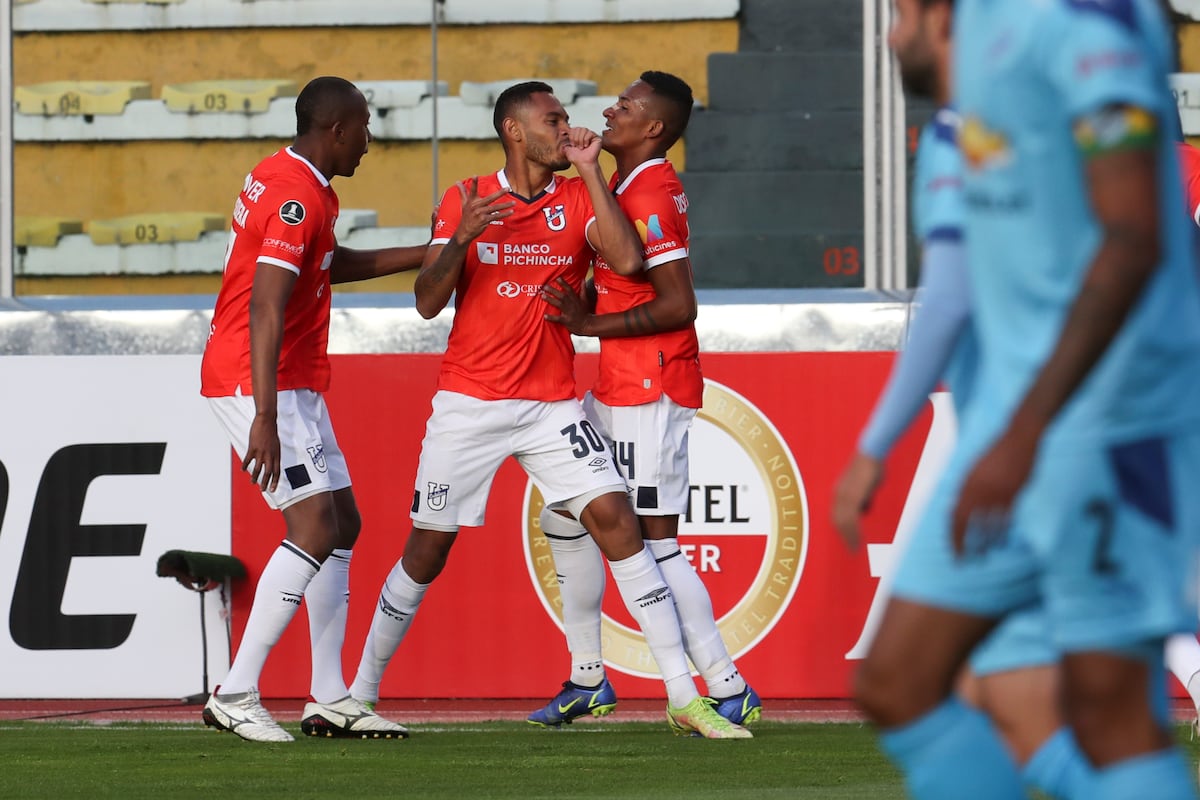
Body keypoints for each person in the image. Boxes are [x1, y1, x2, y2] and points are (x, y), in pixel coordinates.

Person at [853, 0, 1200, 797]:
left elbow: (1131, 240)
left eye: (901, 13)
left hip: (1106, 431)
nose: (891, 34)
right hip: (1023, 432)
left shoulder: (1094, 27)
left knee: (1108, 711)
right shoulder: (977, 107)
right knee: (934, 687)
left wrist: (1022, 431)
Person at [348, 81, 751, 739]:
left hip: (550, 407)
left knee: (620, 525)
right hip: (470, 404)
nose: (567, 127)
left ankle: (683, 696)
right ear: (514, 131)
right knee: (427, 550)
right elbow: (426, 301)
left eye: (566, 117)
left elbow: (627, 258)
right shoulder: (466, 197)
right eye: (552, 119)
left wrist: (590, 170)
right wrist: (461, 239)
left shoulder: (577, 197)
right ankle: (359, 694)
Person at [832, 1, 1090, 795]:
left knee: (900, 683)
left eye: (901, 15)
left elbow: (947, 302)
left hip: (1021, 447)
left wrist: (873, 448)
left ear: (942, 20)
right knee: (1006, 695)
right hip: (1085, 434)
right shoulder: (1054, 126)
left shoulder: (965, 132)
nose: (889, 35)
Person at [199, 76, 428, 743]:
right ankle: (235, 693)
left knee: (341, 523)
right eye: (364, 128)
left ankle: (328, 697)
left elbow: (327, 264)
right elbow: (265, 304)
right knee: (314, 526)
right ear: (337, 129)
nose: (369, 141)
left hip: (287, 378)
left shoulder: (295, 178)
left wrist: (429, 253)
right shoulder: (298, 196)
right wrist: (265, 416)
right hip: (257, 380)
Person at [531, 71, 761, 728]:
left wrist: (587, 322)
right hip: (620, 386)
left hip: (650, 388)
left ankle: (727, 684)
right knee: (565, 516)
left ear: (653, 128)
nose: (611, 111)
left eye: (626, 106)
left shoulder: (652, 188)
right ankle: (587, 677)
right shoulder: (627, 181)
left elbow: (678, 303)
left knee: (656, 542)